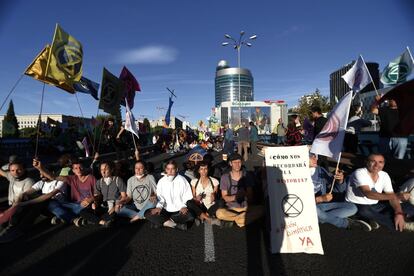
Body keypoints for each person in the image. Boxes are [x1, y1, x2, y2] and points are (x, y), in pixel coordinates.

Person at [345, 153, 414, 231]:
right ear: (366, 162)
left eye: (380, 162)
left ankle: (371, 219)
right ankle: (402, 226)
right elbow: (368, 194)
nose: (376, 165)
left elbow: (391, 197)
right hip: (356, 204)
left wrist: (399, 213)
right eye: (373, 161)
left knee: (409, 207)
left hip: (375, 205)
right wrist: (397, 196)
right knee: (365, 211)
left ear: (383, 164)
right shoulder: (359, 173)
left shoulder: (384, 175)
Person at [309, 153, 371, 231]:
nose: (316, 159)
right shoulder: (294, 174)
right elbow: (296, 202)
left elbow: (339, 190)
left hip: (322, 207)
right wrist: (318, 199)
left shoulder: (319, 170)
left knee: (352, 208)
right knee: (316, 211)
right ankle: (345, 223)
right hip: (308, 208)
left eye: (316, 156)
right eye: (311, 156)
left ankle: (320, 219)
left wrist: (340, 180)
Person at [35, 159, 96, 227]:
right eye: (76, 168)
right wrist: (40, 168)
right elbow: (53, 177)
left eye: (80, 167)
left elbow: (98, 193)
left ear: (84, 168)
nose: (79, 170)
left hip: (86, 204)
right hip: (74, 205)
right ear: (73, 170)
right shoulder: (71, 178)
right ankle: (72, 219)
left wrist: (92, 199)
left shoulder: (91, 178)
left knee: (78, 208)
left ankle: (63, 217)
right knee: (52, 204)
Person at [215, 153, 263, 228]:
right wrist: (236, 197)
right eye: (235, 162)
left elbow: (250, 196)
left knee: (261, 210)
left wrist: (245, 194)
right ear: (230, 164)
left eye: (239, 162)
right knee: (219, 213)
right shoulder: (225, 177)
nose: (237, 164)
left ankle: (234, 221)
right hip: (231, 208)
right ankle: (241, 220)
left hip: (246, 208)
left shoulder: (247, 175)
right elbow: (224, 197)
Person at [145, 160, 194, 230]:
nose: (170, 171)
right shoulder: (161, 181)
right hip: (165, 209)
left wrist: (183, 206)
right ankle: (175, 225)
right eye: (168, 169)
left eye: (172, 169)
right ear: (165, 170)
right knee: (147, 213)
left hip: (179, 210)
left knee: (190, 215)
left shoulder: (182, 180)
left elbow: (187, 195)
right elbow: (160, 197)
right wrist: (159, 207)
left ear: (176, 169)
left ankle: (162, 222)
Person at [79, 161, 126, 227]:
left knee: (114, 215)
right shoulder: (99, 182)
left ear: (111, 170)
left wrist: (116, 206)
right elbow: (96, 197)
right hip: (103, 206)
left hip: (114, 206)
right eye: (101, 170)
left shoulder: (118, 180)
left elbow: (124, 196)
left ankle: (94, 220)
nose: (103, 172)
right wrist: (95, 203)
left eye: (106, 169)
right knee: (83, 212)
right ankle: (103, 222)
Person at [371, 95, 408, 159]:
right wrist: (377, 102)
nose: (394, 100)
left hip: (401, 138)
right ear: (388, 101)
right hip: (384, 138)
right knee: (383, 159)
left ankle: (396, 169)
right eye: (392, 99)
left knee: (399, 160)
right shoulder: (383, 109)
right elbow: (373, 110)